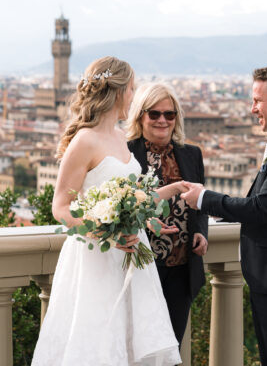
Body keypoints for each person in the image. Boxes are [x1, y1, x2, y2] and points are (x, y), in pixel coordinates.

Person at [32, 56, 182, 366]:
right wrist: (106, 235)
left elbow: (130, 196)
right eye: (132, 89)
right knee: (97, 341)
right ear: (120, 91)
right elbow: (60, 207)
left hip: (131, 253)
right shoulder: (84, 141)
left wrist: (154, 213)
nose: (133, 96)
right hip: (96, 257)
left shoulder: (119, 137)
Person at [181, 64, 267, 366]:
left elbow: (260, 209)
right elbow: (262, 204)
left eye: (257, 100)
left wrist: (204, 198)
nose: (252, 108)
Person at [125, 83, 208, 346]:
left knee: (172, 346)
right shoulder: (127, 153)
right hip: (142, 265)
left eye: (169, 114)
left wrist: (201, 232)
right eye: (154, 114)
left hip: (182, 267)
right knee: (140, 348)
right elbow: (122, 205)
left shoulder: (191, 154)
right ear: (140, 116)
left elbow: (200, 202)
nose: (162, 120)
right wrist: (145, 220)